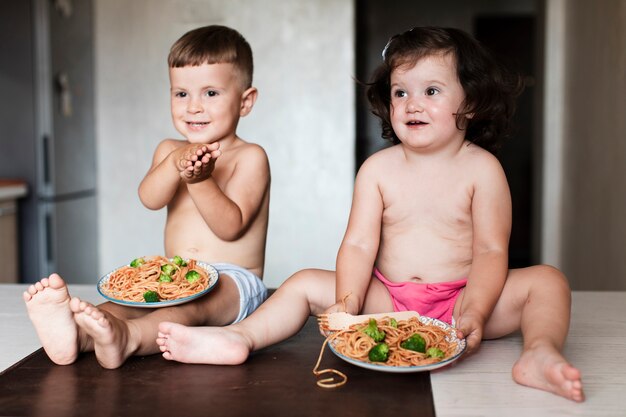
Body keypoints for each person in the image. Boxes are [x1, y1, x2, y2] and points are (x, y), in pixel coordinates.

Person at [156, 27, 584, 402]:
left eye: (431, 91)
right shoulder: (378, 169)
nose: (412, 104)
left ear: (470, 102)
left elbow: (492, 250)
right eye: (401, 92)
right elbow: (359, 244)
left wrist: (474, 309)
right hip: (389, 300)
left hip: (461, 300)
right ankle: (239, 338)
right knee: (304, 282)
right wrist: (349, 300)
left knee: (547, 281)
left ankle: (539, 352)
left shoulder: (483, 170)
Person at [23, 25, 270, 370]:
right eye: (181, 94)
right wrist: (173, 164)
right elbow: (150, 198)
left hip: (234, 280)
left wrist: (199, 180)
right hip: (177, 274)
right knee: (129, 300)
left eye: (211, 93)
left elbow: (230, 226)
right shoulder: (170, 149)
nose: (194, 107)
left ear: (245, 101)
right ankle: (75, 337)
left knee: (188, 310)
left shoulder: (250, 157)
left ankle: (129, 339)